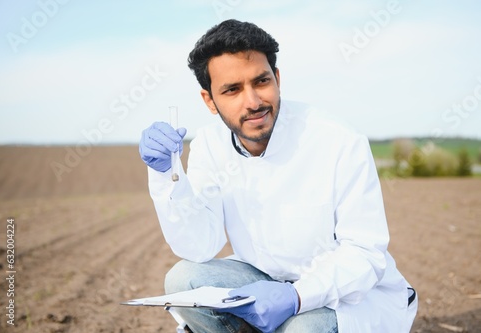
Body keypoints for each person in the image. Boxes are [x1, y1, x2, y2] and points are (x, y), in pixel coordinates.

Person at [139, 19, 417, 333]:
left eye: (261, 81)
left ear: (278, 78)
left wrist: (296, 296)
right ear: (209, 101)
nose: (253, 102)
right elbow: (200, 245)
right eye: (232, 90)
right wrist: (164, 174)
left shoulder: (338, 141)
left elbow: (364, 254)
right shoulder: (209, 144)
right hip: (265, 283)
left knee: (302, 329)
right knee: (182, 279)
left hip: (348, 297)